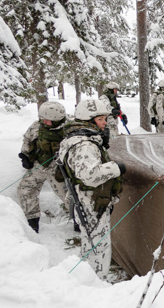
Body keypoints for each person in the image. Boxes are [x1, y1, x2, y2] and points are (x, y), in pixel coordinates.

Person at [58, 99, 125, 279]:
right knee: (99, 246)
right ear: (88, 120)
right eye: (100, 119)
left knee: (90, 242)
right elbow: (90, 175)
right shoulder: (84, 144)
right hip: (91, 200)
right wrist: (116, 167)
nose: (105, 123)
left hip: (86, 198)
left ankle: (87, 276)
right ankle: (97, 282)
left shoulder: (76, 137)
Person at [17, 101, 68, 233]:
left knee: (68, 196)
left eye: (47, 120)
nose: (44, 122)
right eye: (42, 119)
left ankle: (79, 222)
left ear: (57, 120)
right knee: (25, 190)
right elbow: (27, 140)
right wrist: (25, 155)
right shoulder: (36, 126)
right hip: (38, 166)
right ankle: (32, 223)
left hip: (58, 169)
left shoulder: (68, 129)